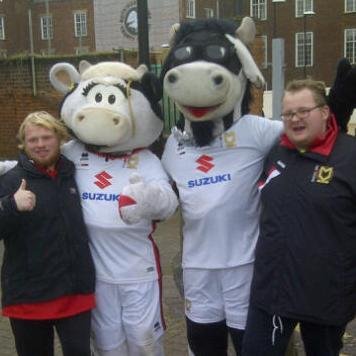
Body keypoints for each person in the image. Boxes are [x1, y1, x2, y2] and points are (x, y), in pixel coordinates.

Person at [242, 79, 356, 355]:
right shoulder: (277, 152)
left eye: (304, 111)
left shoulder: (350, 156)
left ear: (325, 112)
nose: (295, 119)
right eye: (289, 113)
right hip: (273, 291)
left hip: (326, 295)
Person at [0, 111, 96, 356]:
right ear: (23, 143)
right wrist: (11, 205)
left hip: (74, 293)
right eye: (33, 140)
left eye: (46, 137)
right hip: (29, 298)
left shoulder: (74, 174)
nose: (40, 145)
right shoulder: (12, 181)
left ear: (60, 139)